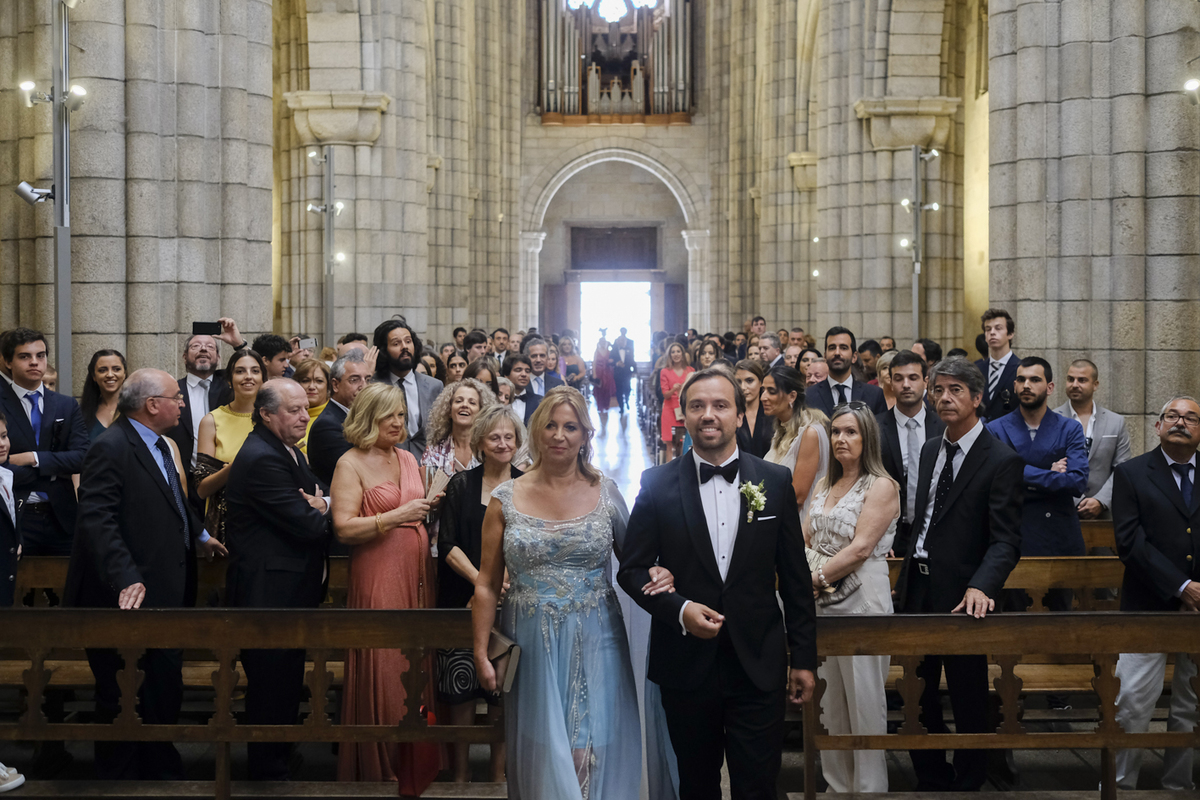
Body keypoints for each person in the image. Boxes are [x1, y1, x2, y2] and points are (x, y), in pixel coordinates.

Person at [618, 367, 817, 800]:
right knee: (697, 784)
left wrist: (803, 658)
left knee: (758, 786)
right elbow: (631, 571)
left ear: (739, 416)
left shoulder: (773, 480)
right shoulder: (657, 484)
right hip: (686, 664)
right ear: (684, 417)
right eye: (697, 406)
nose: (709, 415)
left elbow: (797, 579)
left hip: (757, 662)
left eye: (720, 405)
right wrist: (679, 609)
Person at [473, 387, 643, 798]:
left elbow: (636, 561)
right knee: (544, 748)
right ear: (536, 431)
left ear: (585, 435)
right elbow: (487, 583)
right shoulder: (505, 499)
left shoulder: (606, 492)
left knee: (587, 749)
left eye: (570, 426)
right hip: (530, 641)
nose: (559, 435)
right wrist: (480, 651)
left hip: (597, 634)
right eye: (550, 425)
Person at [65, 369, 218, 780]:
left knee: (162, 684)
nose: (182, 403)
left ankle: (158, 763)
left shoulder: (162, 445)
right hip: (125, 594)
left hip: (164, 586)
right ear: (153, 405)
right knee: (122, 691)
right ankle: (120, 775)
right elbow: (97, 519)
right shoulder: (111, 447)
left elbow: (171, 497)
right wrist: (126, 576)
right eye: (175, 397)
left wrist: (200, 534)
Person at [892, 357, 1024, 792]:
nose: (944, 398)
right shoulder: (932, 447)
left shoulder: (1001, 459)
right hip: (920, 584)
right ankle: (930, 773)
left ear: (977, 398)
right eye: (939, 390)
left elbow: (1005, 540)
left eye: (955, 391)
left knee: (967, 691)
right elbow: (924, 518)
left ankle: (970, 778)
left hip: (965, 593)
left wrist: (982, 585)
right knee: (918, 690)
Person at [328, 383, 440, 788]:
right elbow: (343, 527)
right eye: (389, 415)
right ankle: (381, 764)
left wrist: (427, 507)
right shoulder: (350, 463)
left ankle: (419, 758)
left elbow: (416, 508)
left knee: (416, 662)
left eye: (400, 414)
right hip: (378, 570)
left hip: (417, 571)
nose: (398, 422)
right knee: (385, 662)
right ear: (368, 418)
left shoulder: (408, 457)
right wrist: (398, 515)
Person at [225, 380, 333, 781]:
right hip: (267, 595)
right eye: (294, 410)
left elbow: (316, 498)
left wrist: (322, 501)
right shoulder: (261, 457)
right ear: (267, 414)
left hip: (287, 591)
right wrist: (324, 506)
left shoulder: (284, 449)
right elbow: (307, 525)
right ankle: (266, 769)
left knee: (285, 681)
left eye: (305, 408)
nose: (305, 416)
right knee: (270, 685)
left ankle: (279, 756)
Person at [805, 403, 899, 792]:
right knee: (832, 700)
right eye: (836, 432)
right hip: (822, 600)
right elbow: (806, 536)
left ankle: (869, 788)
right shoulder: (826, 483)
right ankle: (838, 784)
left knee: (864, 700)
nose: (841, 439)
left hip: (862, 600)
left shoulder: (880, 485)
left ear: (868, 439)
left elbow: (861, 548)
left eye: (851, 432)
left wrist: (816, 577)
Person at [1110, 395, 1200, 790]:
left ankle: (1179, 785)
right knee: (1132, 700)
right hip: (1148, 602)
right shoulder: (1132, 473)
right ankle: (1118, 783)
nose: (1181, 422)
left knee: (1190, 703)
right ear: (1159, 425)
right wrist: (1182, 587)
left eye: (1191, 418)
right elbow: (1130, 542)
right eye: (1173, 416)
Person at [436, 404, 525, 783]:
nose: (503, 444)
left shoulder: (528, 485)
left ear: (518, 442)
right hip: (462, 598)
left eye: (509, 437)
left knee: (502, 693)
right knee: (461, 690)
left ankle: (498, 775)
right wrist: (482, 583)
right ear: (481, 444)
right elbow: (448, 544)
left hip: (514, 601)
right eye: (495, 437)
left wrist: (504, 586)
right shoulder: (462, 485)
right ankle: (458, 776)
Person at [986, 358, 1089, 615]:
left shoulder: (1070, 428)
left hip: (1059, 534)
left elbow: (1077, 481)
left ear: (1050, 387)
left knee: (1061, 617)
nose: (1026, 386)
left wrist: (1020, 475)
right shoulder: (994, 429)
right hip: (1013, 531)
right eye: (1021, 380)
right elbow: (995, 478)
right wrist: (1049, 474)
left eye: (1034, 380)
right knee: (1012, 615)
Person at [0, 327, 89, 558]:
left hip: (61, 515)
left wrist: (33, 458)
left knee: (71, 587)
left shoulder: (65, 405)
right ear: (8, 362)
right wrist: (54, 472)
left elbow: (83, 457)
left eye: (40, 356)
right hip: (16, 515)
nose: (34, 362)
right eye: (24, 356)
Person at [877, 351, 946, 557]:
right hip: (889, 533)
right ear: (890, 382)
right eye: (898, 378)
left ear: (926, 382)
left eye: (913, 378)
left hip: (935, 531)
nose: (906, 384)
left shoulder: (944, 427)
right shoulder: (874, 427)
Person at [194, 350, 266, 543]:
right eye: (240, 371)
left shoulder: (273, 418)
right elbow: (201, 488)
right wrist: (235, 468)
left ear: (263, 378)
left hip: (269, 517)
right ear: (229, 379)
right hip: (228, 523)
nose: (248, 376)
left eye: (255, 371)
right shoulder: (212, 421)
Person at [1053, 359, 1132, 519]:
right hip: (1062, 509)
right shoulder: (1051, 419)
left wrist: (1100, 501)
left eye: (1082, 380)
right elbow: (1048, 464)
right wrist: (1077, 501)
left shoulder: (1115, 422)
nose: (1074, 384)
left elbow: (1122, 469)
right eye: (1070, 379)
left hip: (1104, 514)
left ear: (1095, 384)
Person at [168, 318, 245, 473]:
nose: (203, 349)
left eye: (210, 347)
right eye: (195, 346)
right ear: (184, 357)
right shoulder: (171, 391)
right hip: (184, 477)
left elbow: (258, 373)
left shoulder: (231, 386)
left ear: (218, 358)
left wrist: (239, 344)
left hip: (228, 476)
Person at [762, 366, 830, 522]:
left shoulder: (810, 432)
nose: (763, 397)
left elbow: (798, 497)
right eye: (763, 390)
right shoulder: (782, 429)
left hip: (798, 522)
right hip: (780, 516)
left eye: (771, 391)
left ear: (792, 396)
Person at [373, 319, 443, 459]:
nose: (404, 347)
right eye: (396, 343)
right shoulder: (374, 386)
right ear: (384, 350)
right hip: (388, 464)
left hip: (427, 468)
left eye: (408, 341)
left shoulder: (434, 386)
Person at [307, 351, 372, 486]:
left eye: (368, 379)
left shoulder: (361, 416)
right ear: (335, 385)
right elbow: (359, 472)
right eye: (354, 380)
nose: (364, 386)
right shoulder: (327, 425)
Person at [423, 378, 497, 480]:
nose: (465, 405)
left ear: (481, 412)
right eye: (458, 401)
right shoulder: (434, 450)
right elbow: (429, 489)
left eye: (472, 402)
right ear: (448, 410)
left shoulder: (490, 450)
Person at [807, 327, 887, 417]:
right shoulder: (808, 396)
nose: (837, 353)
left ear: (854, 357)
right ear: (825, 356)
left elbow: (881, 430)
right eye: (832, 348)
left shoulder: (874, 395)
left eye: (843, 348)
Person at [975, 308, 1020, 420]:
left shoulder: (1021, 368)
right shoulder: (976, 369)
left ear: (1010, 334)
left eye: (998, 328)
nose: (992, 332)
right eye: (988, 329)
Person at [80, 349, 127, 441]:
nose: (110, 374)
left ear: (124, 373)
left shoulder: (136, 408)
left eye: (116, 369)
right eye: (102, 370)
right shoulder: (82, 412)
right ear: (94, 376)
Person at [660, 342, 693, 461]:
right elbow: (665, 395)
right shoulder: (665, 371)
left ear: (682, 354)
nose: (676, 354)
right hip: (670, 410)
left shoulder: (690, 370)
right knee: (671, 444)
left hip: (684, 410)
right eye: (673, 352)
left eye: (678, 351)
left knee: (685, 442)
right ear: (669, 355)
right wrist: (674, 388)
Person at [734, 359, 773, 458]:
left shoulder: (773, 413)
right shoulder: (731, 413)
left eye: (749, 381)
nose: (743, 387)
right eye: (738, 382)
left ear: (761, 382)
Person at [293, 358, 330, 454]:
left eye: (319, 381)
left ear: (329, 386)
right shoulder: (287, 416)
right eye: (305, 381)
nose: (312, 387)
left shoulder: (336, 418)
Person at [503, 353, 541, 425]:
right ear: (506, 376)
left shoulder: (539, 401)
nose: (524, 374)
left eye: (527, 371)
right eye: (518, 370)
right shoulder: (498, 399)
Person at [610, 327, 636, 415]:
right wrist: (616, 363)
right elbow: (609, 361)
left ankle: (627, 401)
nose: (622, 342)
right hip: (617, 373)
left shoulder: (630, 348)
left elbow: (632, 360)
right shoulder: (614, 350)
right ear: (618, 341)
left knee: (627, 388)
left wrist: (634, 371)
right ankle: (621, 407)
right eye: (620, 340)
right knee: (619, 391)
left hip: (627, 372)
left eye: (623, 341)